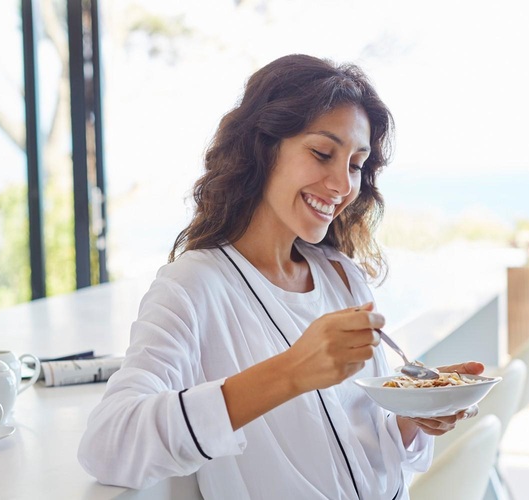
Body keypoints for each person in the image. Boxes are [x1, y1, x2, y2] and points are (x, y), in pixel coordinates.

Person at [77, 54, 483, 500]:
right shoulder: (191, 287)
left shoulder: (340, 276)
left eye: (355, 164)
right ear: (263, 147)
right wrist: (292, 371)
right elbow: (108, 445)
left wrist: (412, 415)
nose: (343, 184)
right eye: (322, 153)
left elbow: (360, 441)